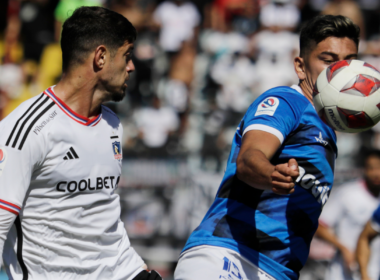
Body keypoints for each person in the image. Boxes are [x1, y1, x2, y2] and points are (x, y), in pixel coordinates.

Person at [174, 15, 359, 280]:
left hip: (278, 271)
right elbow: (250, 158)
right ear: (300, 65)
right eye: (328, 60)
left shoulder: (328, 129)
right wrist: (271, 174)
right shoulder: (286, 102)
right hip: (229, 254)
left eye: (349, 62)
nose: (339, 71)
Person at [0, 6, 162, 280]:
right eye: (127, 56)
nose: (132, 66)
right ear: (100, 57)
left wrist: (138, 266)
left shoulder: (112, 124)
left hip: (125, 272)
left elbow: (102, 211)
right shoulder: (26, 130)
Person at [316, 150, 380, 280]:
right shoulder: (348, 194)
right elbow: (320, 226)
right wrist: (344, 248)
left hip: (374, 271)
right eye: (371, 168)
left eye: (379, 168)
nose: (376, 173)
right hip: (344, 273)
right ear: (364, 169)